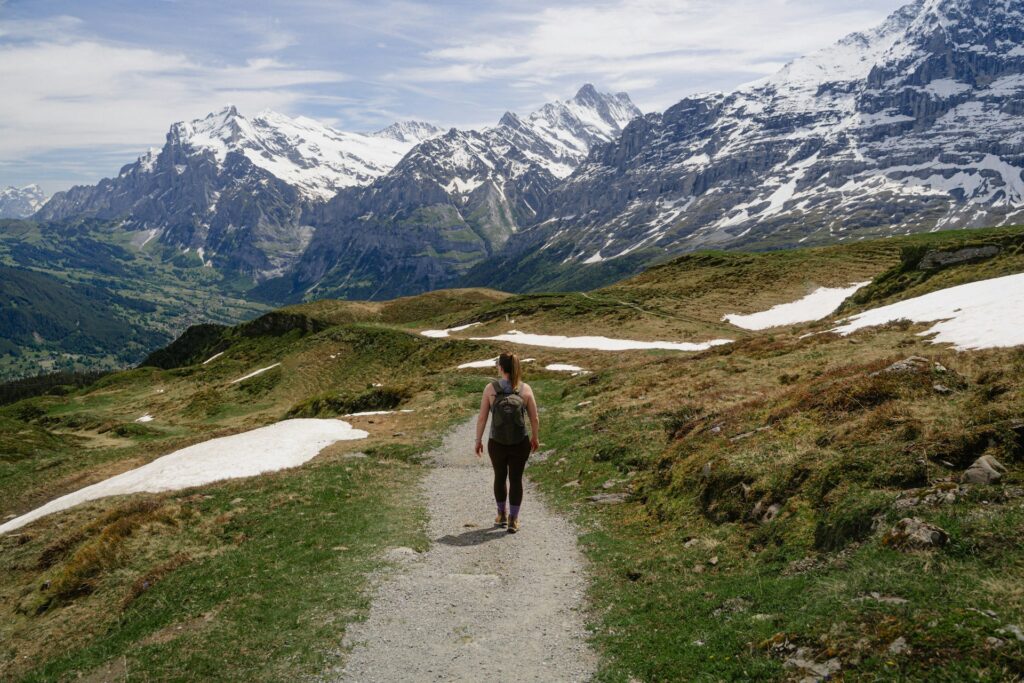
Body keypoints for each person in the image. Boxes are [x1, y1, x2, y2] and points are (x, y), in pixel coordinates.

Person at [474, 351, 540, 534]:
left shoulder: (491, 389)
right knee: (516, 479)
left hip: (497, 442)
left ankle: (501, 515)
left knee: (500, 476)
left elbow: (482, 418)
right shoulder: (525, 389)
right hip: (520, 442)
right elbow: (534, 418)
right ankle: (514, 519)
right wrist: (535, 437)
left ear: (501, 368)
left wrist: (478, 440)